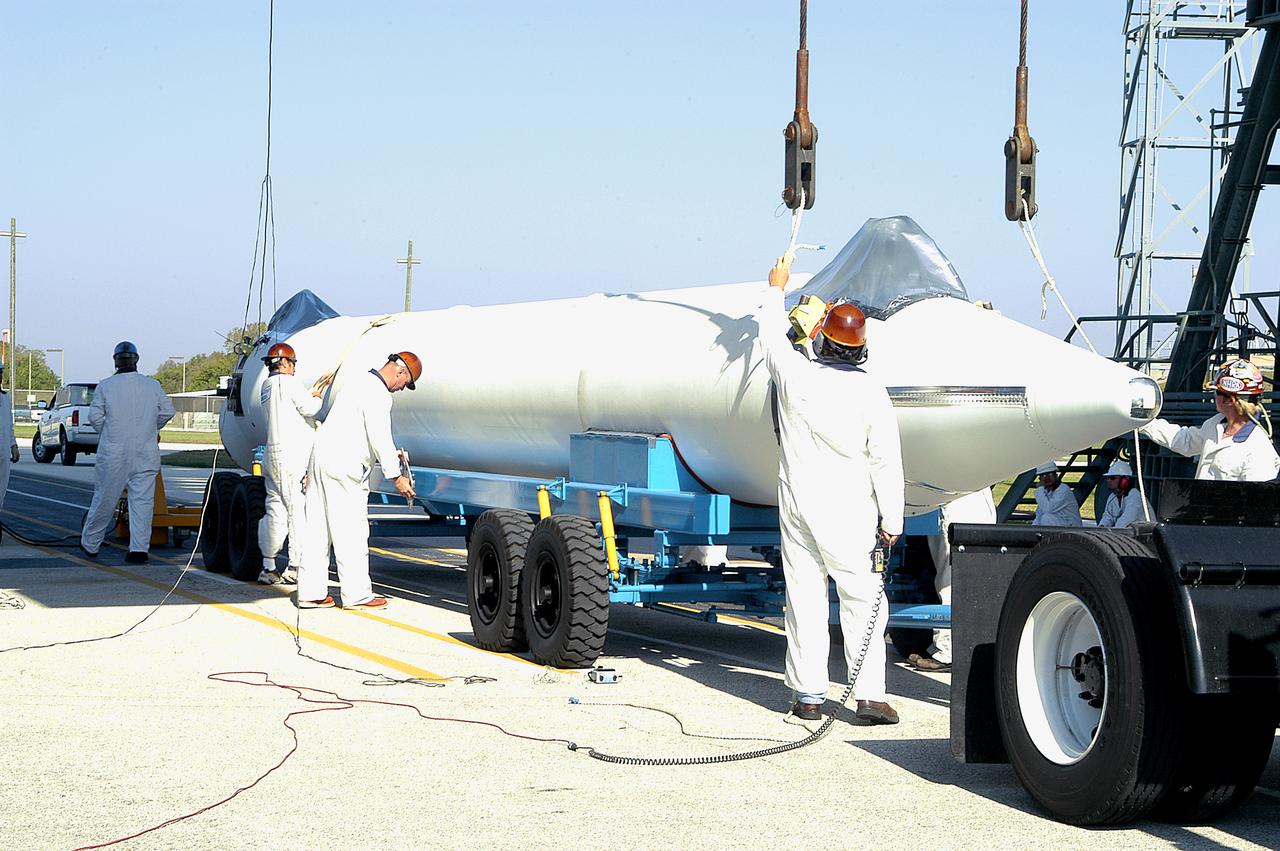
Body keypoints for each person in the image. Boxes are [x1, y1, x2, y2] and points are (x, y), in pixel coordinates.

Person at [760, 255, 905, 725]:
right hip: (848, 513)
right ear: (860, 348)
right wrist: (893, 522)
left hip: (798, 505)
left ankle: (808, 696)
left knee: (804, 598)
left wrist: (776, 288)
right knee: (863, 601)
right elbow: (886, 461)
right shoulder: (871, 392)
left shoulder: (795, 376)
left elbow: (770, 339)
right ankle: (869, 696)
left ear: (822, 338)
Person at [297, 351, 422, 610]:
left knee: (317, 529)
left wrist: (390, 455)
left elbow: (354, 427)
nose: (401, 389)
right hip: (345, 466)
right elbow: (379, 436)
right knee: (351, 530)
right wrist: (396, 476)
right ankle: (357, 595)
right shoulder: (378, 393)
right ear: (400, 371)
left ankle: (311, 592)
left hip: (321, 458)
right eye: (405, 383)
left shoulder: (358, 382)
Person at [80, 342, 176, 562]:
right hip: (145, 451)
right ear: (136, 360)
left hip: (114, 453)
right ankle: (139, 549)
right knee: (142, 502)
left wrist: (109, 433)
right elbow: (168, 411)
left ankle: (91, 544)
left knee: (105, 498)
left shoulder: (106, 386)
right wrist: (152, 428)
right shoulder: (152, 385)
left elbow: (94, 417)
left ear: (116, 361)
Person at [1140, 358, 1279, 481]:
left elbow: (1255, 503)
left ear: (1229, 400)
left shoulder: (1259, 450)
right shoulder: (1215, 424)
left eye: (1216, 392)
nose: (1213, 396)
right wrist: (1142, 422)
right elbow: (1185, 440)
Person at [256, 342, 323, 585]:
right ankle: (295, 565)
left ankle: (268, 565)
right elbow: (310, 409)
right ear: (284, 362)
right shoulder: (289, 383)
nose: (294, 368)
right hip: (291, 455)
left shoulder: (266, 386)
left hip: (272, 454)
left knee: (275, 509)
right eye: (293, 363)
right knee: (297, 509)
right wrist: (316, 395)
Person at [913, 487, 996, 672]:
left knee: (949, 582)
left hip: (956, 507)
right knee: (949, 580)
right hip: (958, 504)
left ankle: (946, 652)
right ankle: (943, 646)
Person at [1097, 460, 1152, 529]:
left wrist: (1112, 533)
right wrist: (1101, 526)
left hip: (1145, 535)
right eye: (1108, 478)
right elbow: (1107, 516)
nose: (1108, 480)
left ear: (1124, 480)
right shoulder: (1112, 497)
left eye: (1112, 478)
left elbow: (1127, 519)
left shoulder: (1134, 495)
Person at [1032, 461, 1083, 527]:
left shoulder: (1063, 489)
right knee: (1043, 518)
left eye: (1050, 474)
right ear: (1040, 479)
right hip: (1058, 525)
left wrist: (1039, 489)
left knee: (1047, 518)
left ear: (1056, 476)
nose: (1047, 478)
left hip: (1071, 527)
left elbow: (1047, 509)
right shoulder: (1046, 492)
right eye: (1044, 475)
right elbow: (1039, 515)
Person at [0, 361, 14, 543]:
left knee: (1, 487)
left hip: (3, 450)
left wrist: (13, 445)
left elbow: (9, 425)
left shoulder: (4, 398)